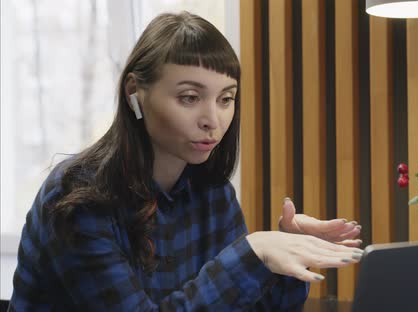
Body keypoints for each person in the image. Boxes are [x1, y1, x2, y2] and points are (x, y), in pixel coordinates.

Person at [8, 11, 362, 311]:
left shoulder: (212, 192)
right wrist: (251, 254)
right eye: (190, 97)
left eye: (226, 99)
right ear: (135, 94)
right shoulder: (76, 197)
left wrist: (285, 258)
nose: (213, 119)